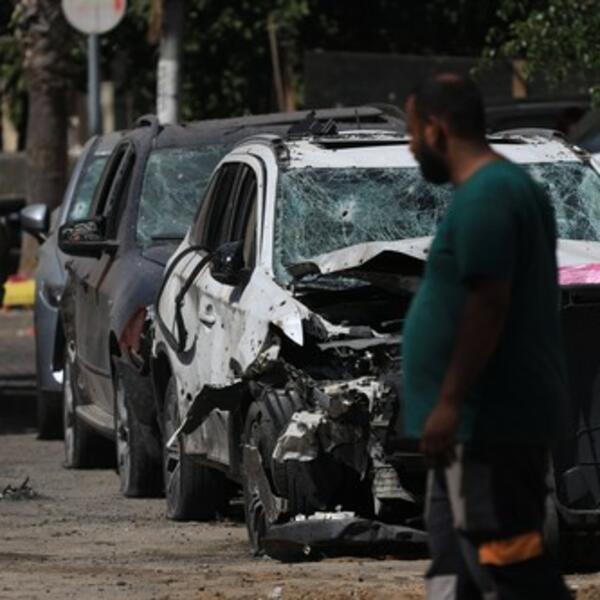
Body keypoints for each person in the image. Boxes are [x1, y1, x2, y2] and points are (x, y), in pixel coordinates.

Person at [402, 73, 571, 599]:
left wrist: (450, 403)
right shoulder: (492, 191)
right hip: (469, 430)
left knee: (507, 560)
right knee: (453, 564)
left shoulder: (489, 196)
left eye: (412, 131)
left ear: (437, 129)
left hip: (486, 424)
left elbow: (488, 304)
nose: (410, 145)